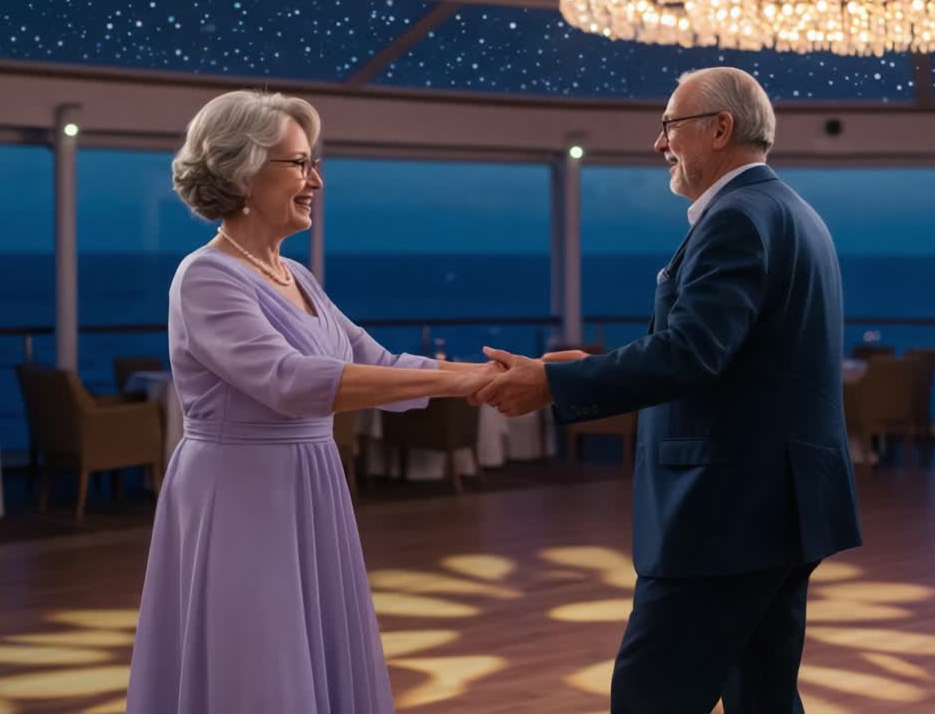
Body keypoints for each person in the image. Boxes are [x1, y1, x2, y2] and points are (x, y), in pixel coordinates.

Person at [474, 67, 863, 713]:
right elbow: (729, 353)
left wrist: (555, 383)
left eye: (670, 127)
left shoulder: (736, 217)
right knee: (763, 696)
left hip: (723, 513)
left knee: (649, 696)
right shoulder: (795, 214)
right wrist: (587, 367)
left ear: (719, 128)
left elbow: (692, 353)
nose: (660, 144)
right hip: (785, 508)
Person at [125, 89, 501, 714]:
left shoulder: (296, 276)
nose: (315, 181)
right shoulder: (206, 275)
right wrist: (459, 383)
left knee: (312, 652)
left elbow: (377, 364)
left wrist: (497, 374)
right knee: (259, 657)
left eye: (312, 163)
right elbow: (291, 381)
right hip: (240, 491)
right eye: (298, 164)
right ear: (242, 171)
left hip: (310, 482)